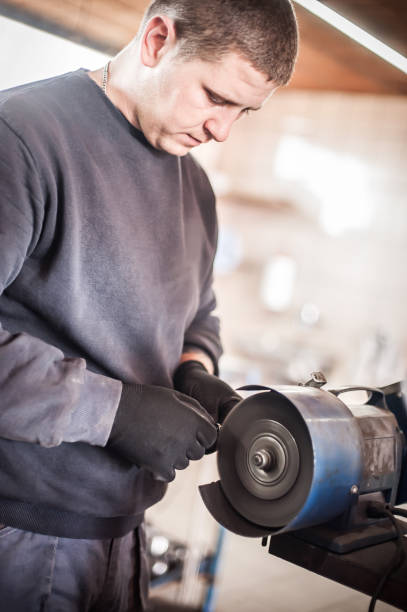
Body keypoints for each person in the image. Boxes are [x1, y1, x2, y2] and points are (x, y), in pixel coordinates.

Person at [0, 0, 298, 609]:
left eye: (243, 111)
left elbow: (199, 311)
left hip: (125, 535)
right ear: (158, 39)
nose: (223, 130)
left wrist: (196, 369)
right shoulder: (24, 137)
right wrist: (115, 413)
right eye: (216, 96)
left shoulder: (196, 188)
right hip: (20, 533)